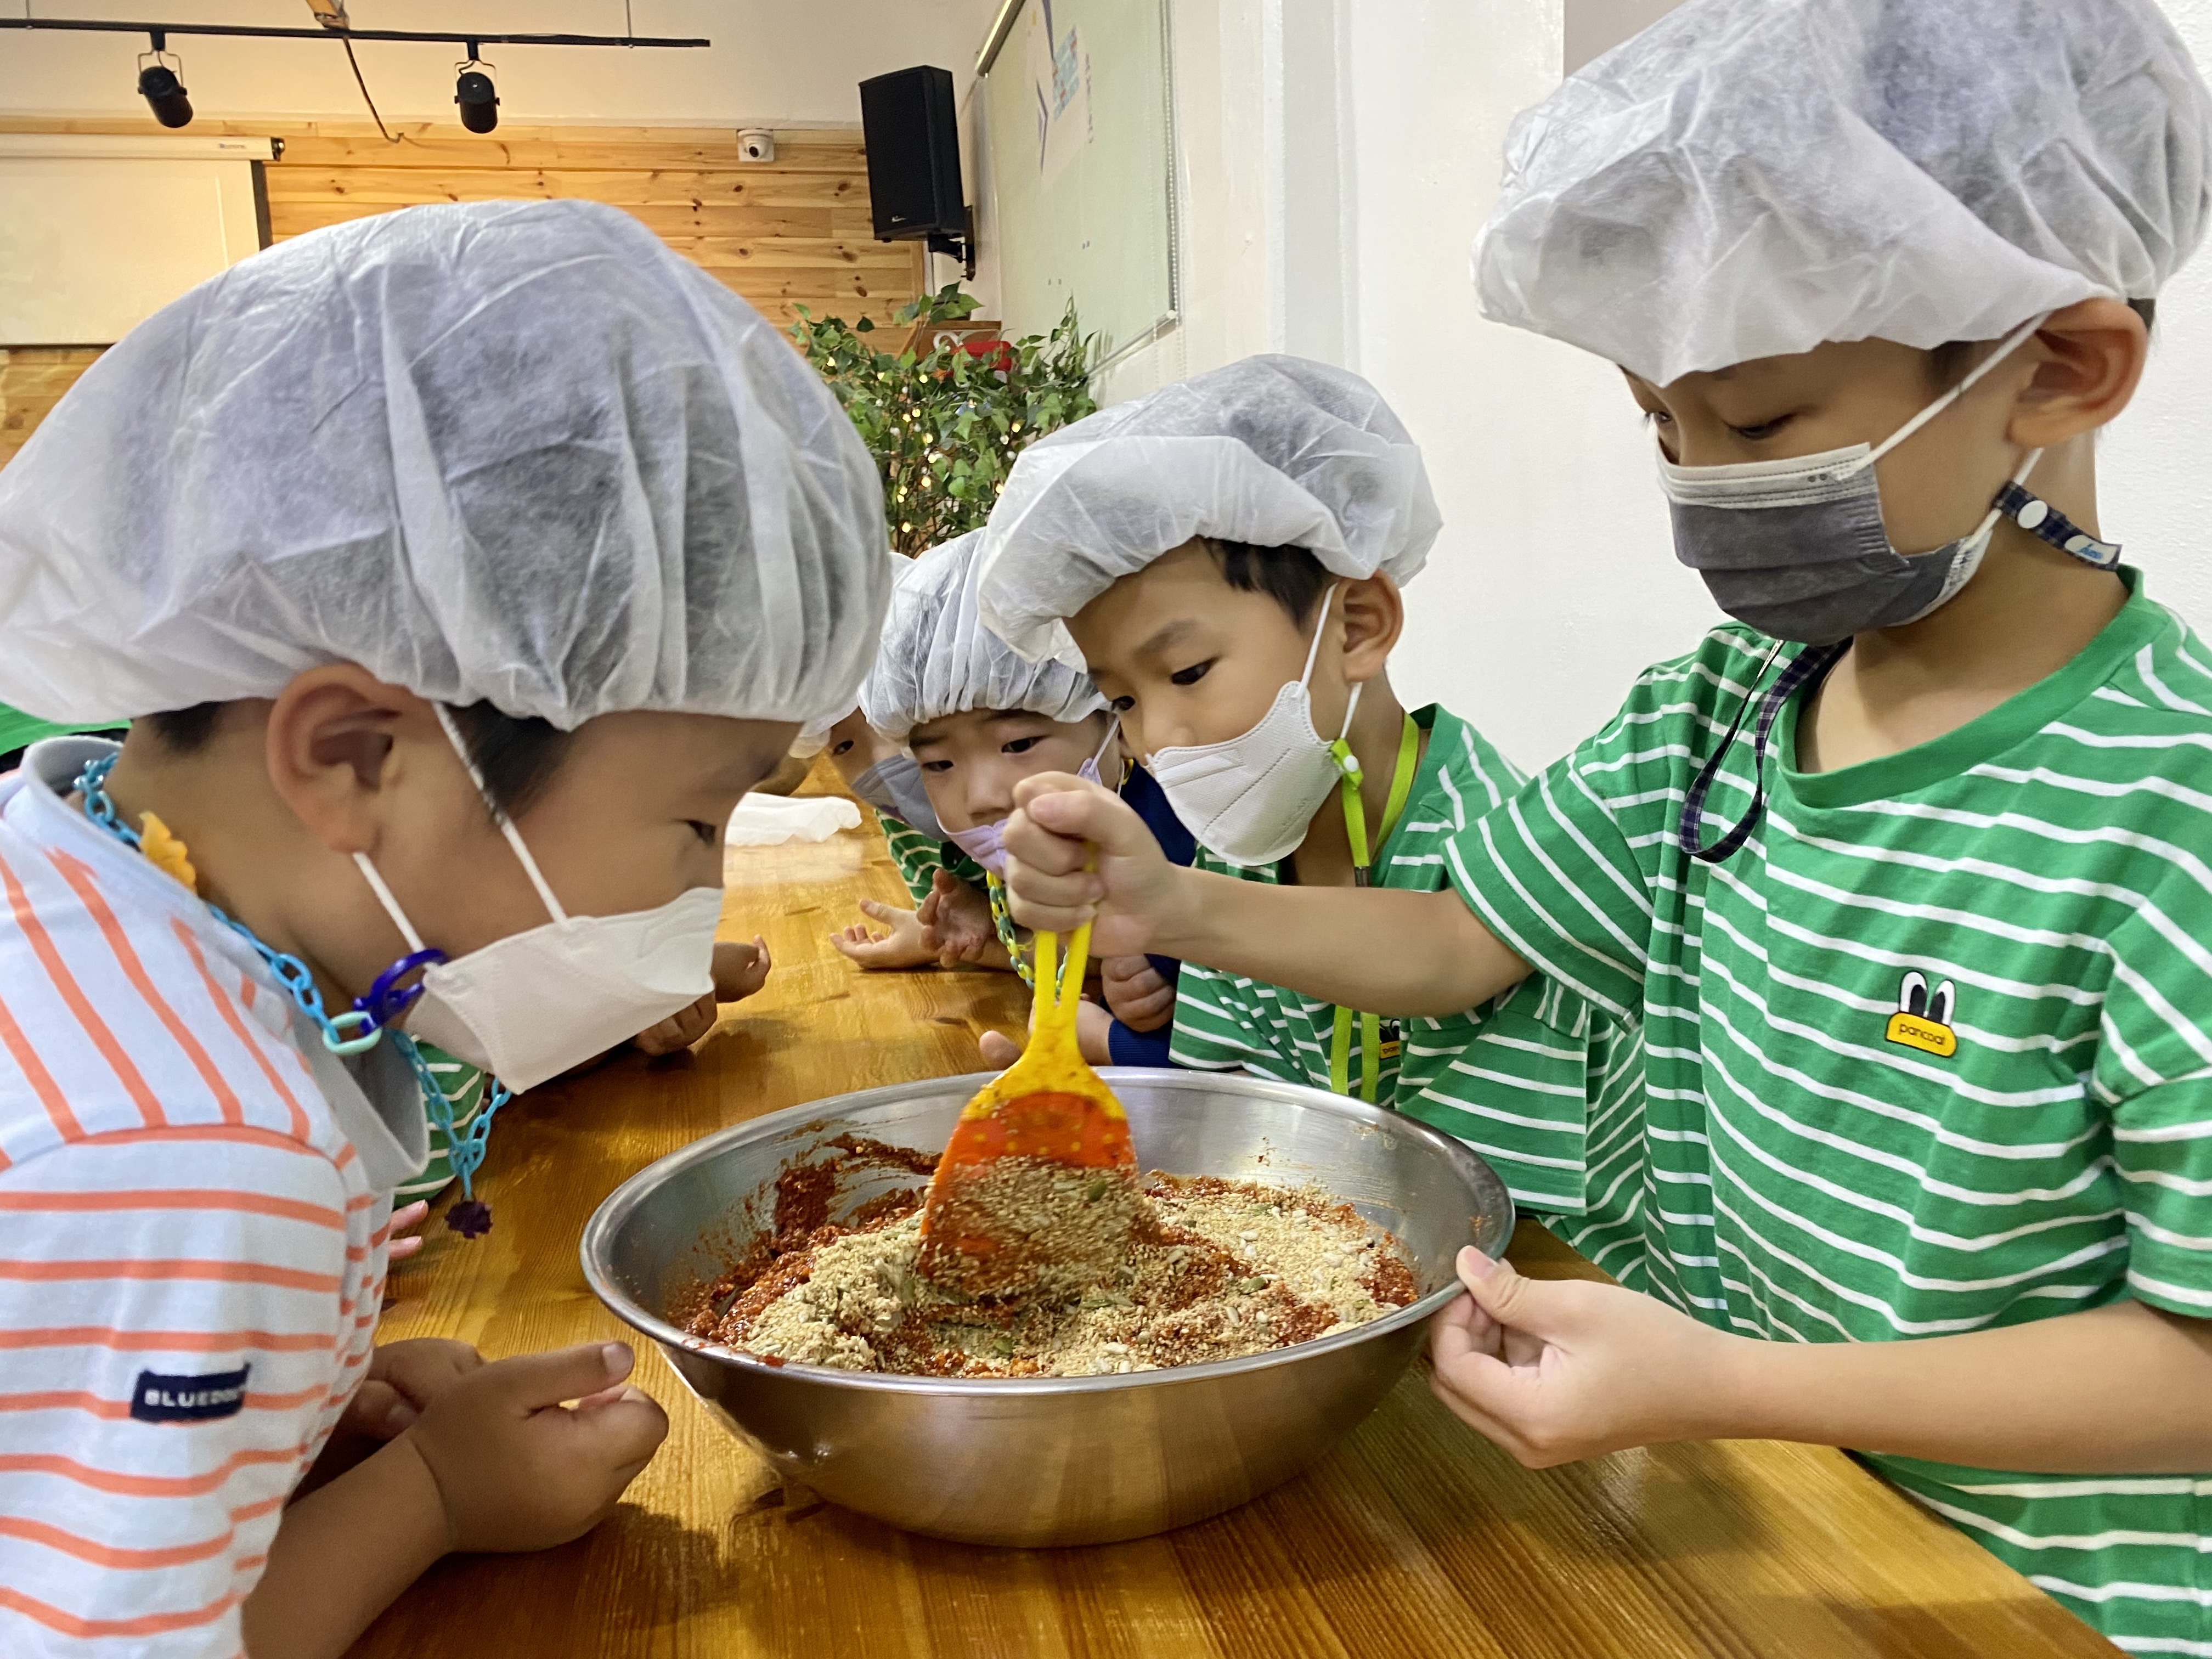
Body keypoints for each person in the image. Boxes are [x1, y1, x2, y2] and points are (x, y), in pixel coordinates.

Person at [987, 0, 2212, 1647]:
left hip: (2033, 1599)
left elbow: (2191, 1373)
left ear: (2059, 370)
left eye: (1762, 426)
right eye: (1663, 425)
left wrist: (1735, 1383)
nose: (1700, 489)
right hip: (1760, 1524)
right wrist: (1169, 903)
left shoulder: (2166, 808)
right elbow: (1455, 936)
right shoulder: (1723, 712)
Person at [0, 198, 891, 1657]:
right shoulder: (197, 1155)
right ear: (356, 755)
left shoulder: (71, 873)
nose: (702, 887)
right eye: (693, 820)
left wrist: (287, 1411)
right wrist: (431, 1494)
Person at [976, 355, 1639, 1212]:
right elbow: (1233, 1118)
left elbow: (1490, 1212)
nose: (1160, 740)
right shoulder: (1237, 853)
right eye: (1123, 701)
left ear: (1357, 625)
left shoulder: (1493, 840)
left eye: (1187, 672)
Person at [861, 531, 1193, 1066]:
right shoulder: (1043, 848)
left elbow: (1255, 1052)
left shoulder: (1186, 835)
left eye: (1019, 744)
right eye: (938, 764)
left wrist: (1112, 1043)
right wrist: (997, 938)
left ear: (1114, 716)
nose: (984, 797)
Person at [810, 701, 1006, 972]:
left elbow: (1084, 955)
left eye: (895, 728)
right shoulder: (901, 824)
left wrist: (923, 946)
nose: (881, 765)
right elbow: (953, 933)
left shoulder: (1025, 798)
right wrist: (976, 921)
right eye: (843, 748)